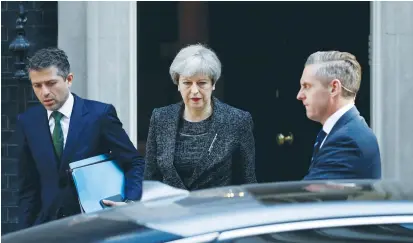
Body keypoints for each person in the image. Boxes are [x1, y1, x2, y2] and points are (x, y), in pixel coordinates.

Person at [16, 47, 145, 229]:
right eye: (37, 85)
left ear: (69, 79)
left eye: (51, 83)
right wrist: (24, 234)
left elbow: (134, 162)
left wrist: (130, 202)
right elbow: (27, 186)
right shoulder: (27, 122)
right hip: (47, 228)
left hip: (94, 225)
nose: (44, 92)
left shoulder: (99, 115)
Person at [144, 44, 257, 190]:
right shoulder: (160, 118)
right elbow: (150, 178)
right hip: (170, 210)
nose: (194, 90)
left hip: (215, 210)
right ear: (178, 84)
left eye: (202, 83)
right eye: (187, 83)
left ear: (213, 84)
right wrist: (131, 205)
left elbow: (247, 181)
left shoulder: (237, 121)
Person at [296, 50, 381, 180]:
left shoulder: (347, 140)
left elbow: (312, 196)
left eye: (307, 86)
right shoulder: (345, 130)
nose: (299, 95)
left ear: (334, 88)